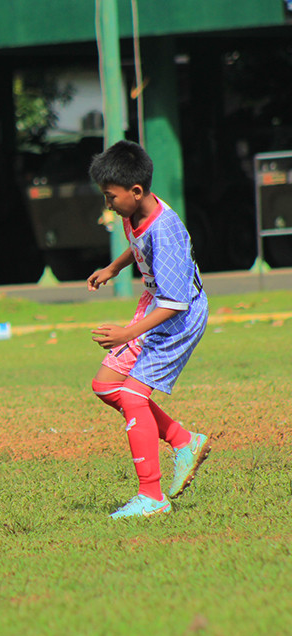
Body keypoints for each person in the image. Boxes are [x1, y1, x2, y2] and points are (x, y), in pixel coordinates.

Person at [86, 140, 210, 520]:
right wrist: (115, 267)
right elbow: (136, 243)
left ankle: (151, 496)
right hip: (154, 307)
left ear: (135, 191)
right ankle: (183, 440)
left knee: (134, 396)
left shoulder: (166, 230)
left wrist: (127, 333)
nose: (108, 204)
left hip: (177, 319)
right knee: (106, 386)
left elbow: (177, 302)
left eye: (111, 197)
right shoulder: (134, 212)